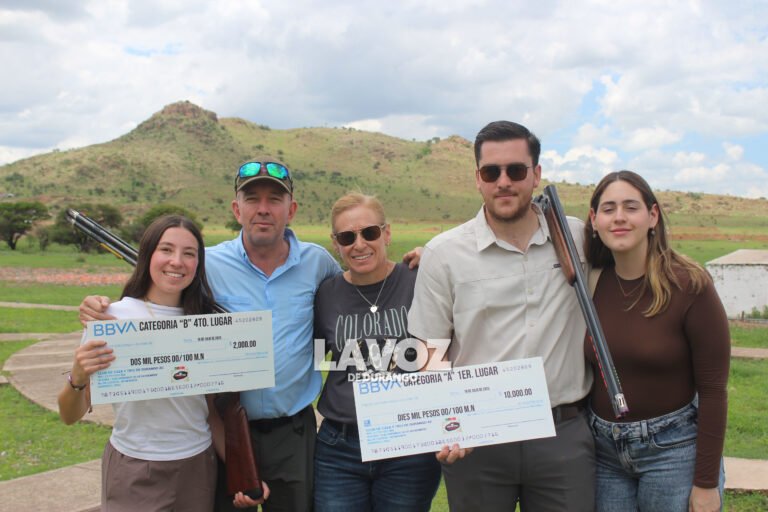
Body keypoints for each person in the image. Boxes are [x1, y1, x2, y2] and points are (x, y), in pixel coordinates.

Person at [79, 159, 341, 511]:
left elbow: (353, 292)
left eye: (274, 200)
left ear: (291, 209)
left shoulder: (318, 262)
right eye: (252, 199)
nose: (263, 209)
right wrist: (100, 308)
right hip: (224, 427)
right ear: (237, 209)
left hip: (291, 431)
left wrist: (417, 262)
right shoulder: (205, 264)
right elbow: (159, 300)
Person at [407, 120, 595, 511]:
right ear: (478, 178)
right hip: (478, 440)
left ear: (536, 174)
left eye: (516, 170)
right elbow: (429, 350)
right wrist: (444, 424)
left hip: (561, 433)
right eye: (492, 172)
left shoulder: (577, 238)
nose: (504, 181)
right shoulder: (444, 254)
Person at [58, 214, 233, 511]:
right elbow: (69, 414)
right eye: (166, 249)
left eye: (189, 253)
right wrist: (78, 376)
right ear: (148, 254)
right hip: (133, 467)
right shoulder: (110, 319)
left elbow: (213, 411)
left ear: (198, 264)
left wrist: (244, 473)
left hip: (197, 466)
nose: (176, 261)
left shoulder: (209, 325)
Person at [584, 170, 730, 512]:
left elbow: (713, 390)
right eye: (608, 209)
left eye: (630, 207)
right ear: (594, 220)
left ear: (652, 216)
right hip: (604, 453)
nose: (619, 217)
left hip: (674, 450)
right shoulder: (588, 283)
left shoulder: (690, 284)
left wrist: (706, 484)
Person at [312, 193, 441, 511]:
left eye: (369, 232)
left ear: (386, 233)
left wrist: (436, 257)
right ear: (335, 243)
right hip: (339, 446)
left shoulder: (419, 280)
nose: (359, 244)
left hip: (409, 445)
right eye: (347, 236)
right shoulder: (325, 294)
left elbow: (444, 354)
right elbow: (315, 356)